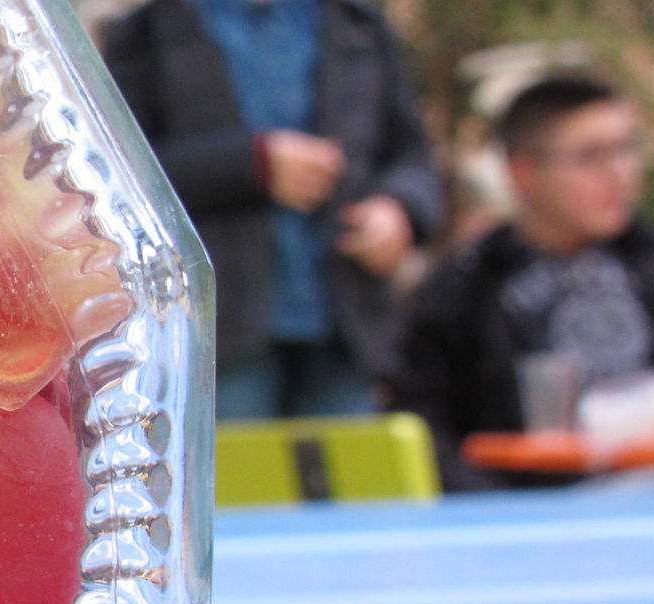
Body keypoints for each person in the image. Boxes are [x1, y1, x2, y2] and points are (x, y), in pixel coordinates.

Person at [102, 0, 443, 419]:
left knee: (352, 462)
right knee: (231, 462)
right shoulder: (147, 32)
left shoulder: (361, 27)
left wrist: (399, 208)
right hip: (213, 332)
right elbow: (118, 169)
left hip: (346, 328)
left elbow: (412, 157)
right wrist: (250, 164)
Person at [390, 75, 654, 490]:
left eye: (627, 149)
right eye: (591, 156)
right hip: (533, 509)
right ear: (523, 172)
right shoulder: (463, 295)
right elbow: (429, 435)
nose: (620, 172)